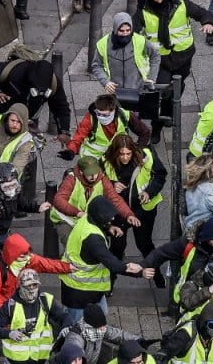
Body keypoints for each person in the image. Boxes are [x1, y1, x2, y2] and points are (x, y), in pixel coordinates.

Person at [132, 0, 213, 137]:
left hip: (183, 56)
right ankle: (156, 126)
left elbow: (202, 13)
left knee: (178, 87)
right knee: (161, 90)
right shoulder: (143, 10)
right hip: (160, 59)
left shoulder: (181, 4)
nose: (159, 1)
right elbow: (132, 29)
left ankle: (167, 114)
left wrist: (208, 23)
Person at [60, 196, 149, 322]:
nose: (112, 218)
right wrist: (140, 272)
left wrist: (108, 228)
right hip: (80, 291)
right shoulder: (93, 240)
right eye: (107, 217)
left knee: (102, 314)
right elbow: (114, 264)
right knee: (76, 326)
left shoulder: (87, 218)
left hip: (85, 287)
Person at [102, 135, 166, 284]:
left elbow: (160, 175)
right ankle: (109, 282)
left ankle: (157, 276)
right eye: (121, 154)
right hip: (118, 212)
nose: (125, 158)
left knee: (144, 244)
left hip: (143, 210)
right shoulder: (105, 161)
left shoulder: (146, 156)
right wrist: (111, 185)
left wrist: (149, 192)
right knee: (117, 248)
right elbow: (98, 180)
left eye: (128, 154)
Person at [0, 268, 71, 364]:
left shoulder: (46, 300)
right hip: (17, 360)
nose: (31, 289)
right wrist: (9, 333)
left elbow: (64, 316)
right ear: (20, 286)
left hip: (42, 357)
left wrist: (66, 327)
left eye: (34, 285)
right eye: (28, 286)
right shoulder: (11, 305)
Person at [51, 156, 140, 246]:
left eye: (95, 173)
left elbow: (115, 199)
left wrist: (128, 214)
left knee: (97, 245)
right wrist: (78, 213)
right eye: (89, 174)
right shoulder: (72, 179)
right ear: (81, 172)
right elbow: (59, 200)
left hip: (87, 220)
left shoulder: (102, 180)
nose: (93, 176)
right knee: (72, 243)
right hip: (67, 220)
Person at [62, 93, 151, 161]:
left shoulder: (125, 115)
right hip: (94, 157)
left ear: (113, 111)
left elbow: (144, 132)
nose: (101, 117)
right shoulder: (90, 118)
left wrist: (137, 149)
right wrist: (71, 151)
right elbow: (78, 137)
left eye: (105, 115)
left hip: (117, 156)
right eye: (98, 114)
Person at [90, 11, 160, 97]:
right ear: (115, 29)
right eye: (121, 31)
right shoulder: (103, 44)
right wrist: (105, 82)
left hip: (138, 90)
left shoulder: (140, 40)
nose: (125, 34)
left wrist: (151, 78)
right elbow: (97, 65)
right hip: (114, 92)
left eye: (128, 30)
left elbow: (155, 56)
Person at [57, 304, 144, 364]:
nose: (103, 329)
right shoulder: (75, 338)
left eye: (103, 325)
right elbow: (73, 357)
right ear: (90, 325)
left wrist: (137, 340)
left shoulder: (97, 330)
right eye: (100, 326)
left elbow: (117, 334)